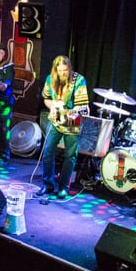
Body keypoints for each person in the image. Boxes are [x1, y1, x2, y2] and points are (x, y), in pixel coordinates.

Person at [38, 55, 89, 199]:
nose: (62, 73)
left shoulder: (78, 80)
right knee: (47, 151)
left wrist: (73, 111)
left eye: (65, 70)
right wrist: (53, 106)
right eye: (59, 70)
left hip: (72, 120)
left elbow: (82, 104)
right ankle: (47, 184)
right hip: (55, 120)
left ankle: (63, 187)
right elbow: (46, 99)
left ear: (69, 68)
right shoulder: (50, 79)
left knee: (70, 155)